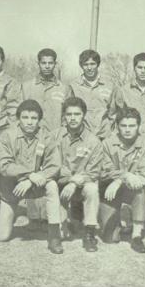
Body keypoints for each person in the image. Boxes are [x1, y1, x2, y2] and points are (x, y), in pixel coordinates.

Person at [0, 100, 63, 254]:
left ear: (39, 120)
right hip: (12, 187)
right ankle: (5, 216)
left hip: (37, 185)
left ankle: (54, 235)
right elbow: (3, 164)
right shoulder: (7, 135)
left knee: (51, 186)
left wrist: (33, 179)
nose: (30, 122)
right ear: (18, 119)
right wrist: (29, 175)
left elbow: (54, 165)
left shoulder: (46, 137)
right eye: (25, 117)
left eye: (34, 118)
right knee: (1, 236)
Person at [20, 48, 73, 230]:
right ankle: (34, 218)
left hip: (56, 139)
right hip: (32, 137)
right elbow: (20, 113)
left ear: (55, 64)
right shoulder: (27, 86)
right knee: (33, 172)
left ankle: (59, 220)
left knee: (56, 175)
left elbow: (69, 114)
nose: (47, 66)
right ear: (38, 63)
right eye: (44, 62)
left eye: (51, 63)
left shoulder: (63, 88)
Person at [99, 107, 145, 253]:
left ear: (139, 126)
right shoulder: (107, 143)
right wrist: (125, 176)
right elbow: (104, 171)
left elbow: (144, 175)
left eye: (132, 126)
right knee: (109, 238)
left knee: (140, 188)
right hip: (110, 189)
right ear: (117, 126)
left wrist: (120, 179)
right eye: (123, 126)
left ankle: (136, 235)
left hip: (132, 188)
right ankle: (120, 222)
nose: (128, 130)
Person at [53, 97, 103, 252]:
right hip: (60, 182)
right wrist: (69, 178)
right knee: (63, 235)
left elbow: (94, 171)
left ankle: (89, 233)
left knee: (92, 189)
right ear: (64, 116)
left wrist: (75, 182)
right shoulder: (54, 137)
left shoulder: (93, 141)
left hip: (82, 183)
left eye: (77, 114)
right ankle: (61, 224)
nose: (73, 118)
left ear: (84, 115)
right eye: (69, 114)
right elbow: (51, 165)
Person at [105, 52, 145, 138]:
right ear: (134, 69)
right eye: (139, 67)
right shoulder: (123, 90)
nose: (142, 71)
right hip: (131, 140)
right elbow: (113, 115)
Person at [70, 49, 115, 140]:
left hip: (104, 136)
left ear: (97, 64)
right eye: (86, 64)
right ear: (81, 66)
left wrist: (111, 133)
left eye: (92, 64)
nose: (89, 68)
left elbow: (113, 113)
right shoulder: (74, 86)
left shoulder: (109, 85)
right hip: (81, 135)